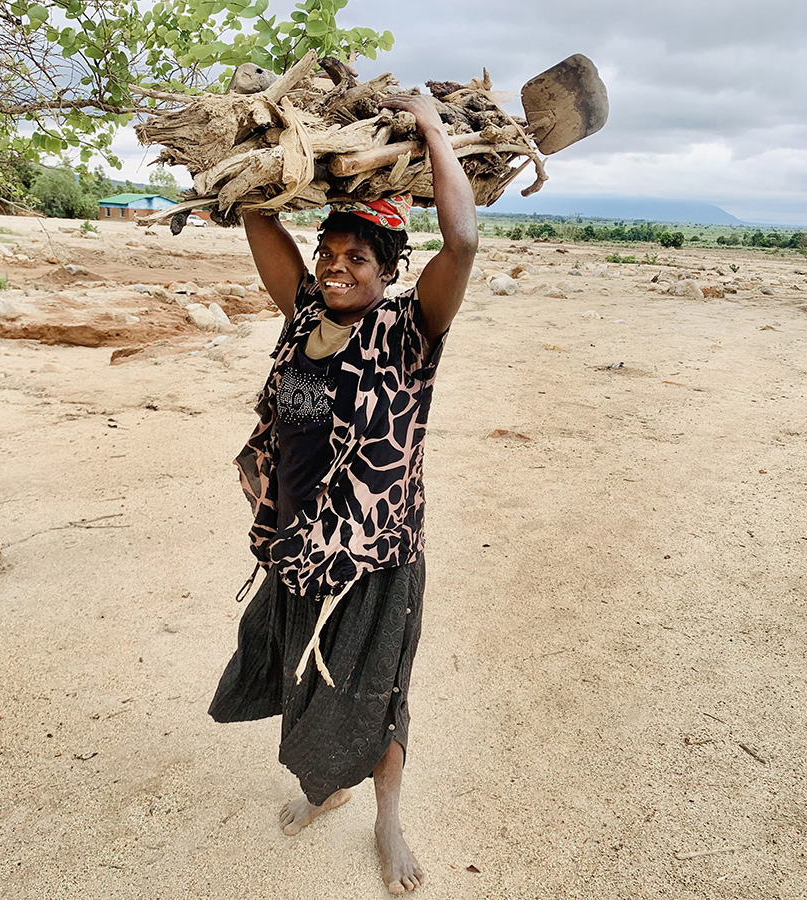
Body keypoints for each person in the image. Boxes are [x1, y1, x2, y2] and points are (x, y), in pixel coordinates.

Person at [209, 91, 477, 895]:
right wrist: (265, 138)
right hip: (295, 541)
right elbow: (260, 218)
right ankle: (326, 785)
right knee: (305, 672)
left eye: (358, 258)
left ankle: (387, 818)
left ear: (389, 272)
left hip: (374, 552)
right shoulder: (301, 314)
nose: (335, 264)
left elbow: (461, 241)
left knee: (378, 691)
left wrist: (430, 127)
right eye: (330, 249)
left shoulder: (408, 332)